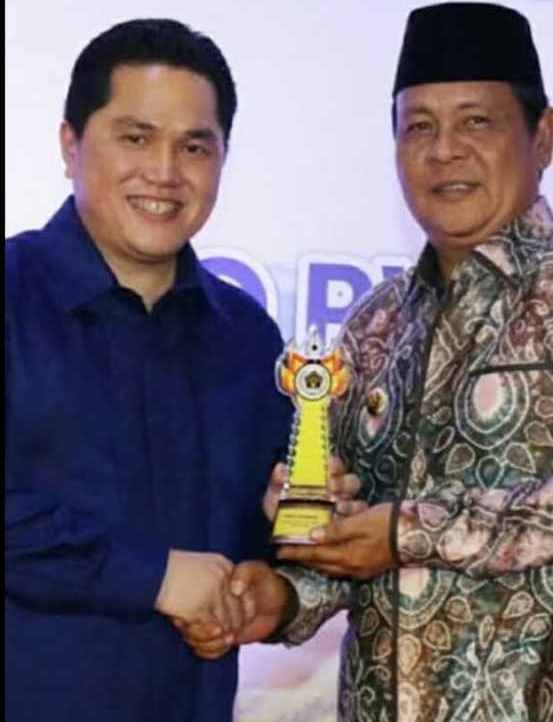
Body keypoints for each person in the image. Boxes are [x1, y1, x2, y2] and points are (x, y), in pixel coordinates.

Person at [184, 4, 553, 721]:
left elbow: (392, 532)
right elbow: (354, 534)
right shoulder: (374, 325)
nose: (444, 150)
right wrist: (282, 596)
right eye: (418, 127)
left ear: (541, 137)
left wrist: (407, 530)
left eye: (477, 122)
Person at [5, 18, 360, 722]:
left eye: (195, 146)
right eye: (135, 138)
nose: (165, 172)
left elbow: (249, 541)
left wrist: (284, 530)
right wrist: (155, 577)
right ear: (70, 144)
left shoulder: (246, 336)